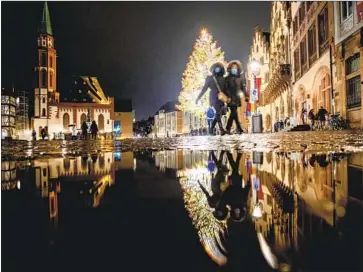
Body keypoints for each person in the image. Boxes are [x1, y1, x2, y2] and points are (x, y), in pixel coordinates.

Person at [196, 62, 228, 135]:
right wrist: (198, 98)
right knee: (218, 112)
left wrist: (228, 99)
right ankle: (221, 129)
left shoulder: (223, 78)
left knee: (219, 114)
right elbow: (204, 89)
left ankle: (211, 128)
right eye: (216, 68)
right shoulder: (210, 78)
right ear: (213, 69)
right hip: (213, 97)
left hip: (221, 98)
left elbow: (226, 90)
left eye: (219, 68)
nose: (217, 69)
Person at [224, 60, 249, 135]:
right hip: (230, 98)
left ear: (238, 69)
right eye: (233, 68)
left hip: (237, 98)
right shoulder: (227, 79)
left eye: (235, 68)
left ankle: (238, 129)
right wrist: (228, 96)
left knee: (234, 113)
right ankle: (229, 128)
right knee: (234, 112)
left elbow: (243, 88)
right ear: (230, 69)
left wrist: (246, 95)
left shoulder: (240, 79)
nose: (234, 69)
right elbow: (225, 89)